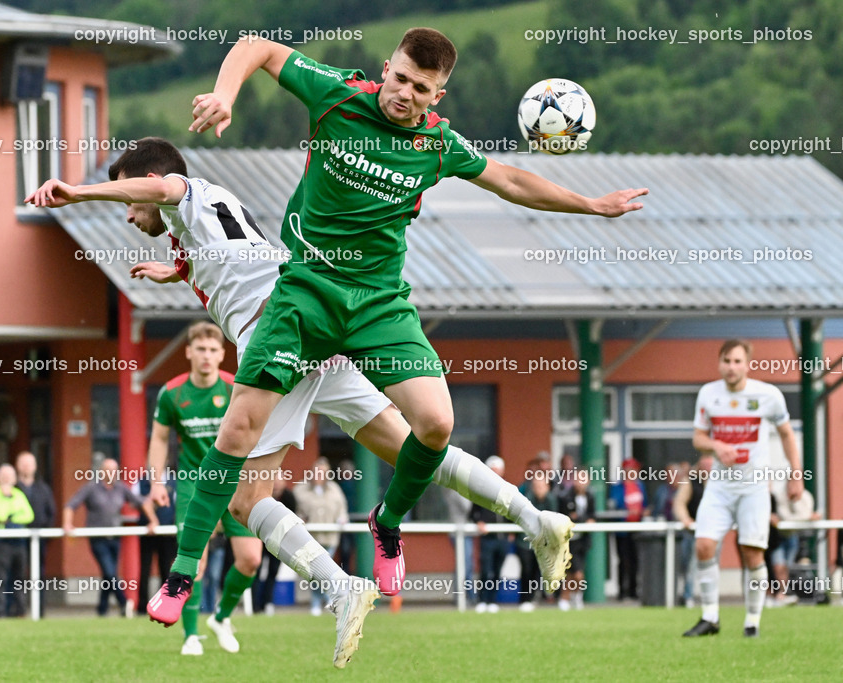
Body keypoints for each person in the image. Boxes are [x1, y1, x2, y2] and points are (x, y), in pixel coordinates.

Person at [27, 136, 576, 668]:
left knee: (245, 501)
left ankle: (339, 589)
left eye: (128, 195)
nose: (128, 213)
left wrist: (77, 193)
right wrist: (179, 268)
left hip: (281, 337)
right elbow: (236, 255)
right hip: (312, 329)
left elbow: (162, 192)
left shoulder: (181, 192)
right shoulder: (204, 216)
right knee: (413, 451)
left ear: (148, 181)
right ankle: (533, 516)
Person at [163, 26, 644, 621]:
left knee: (436, 423)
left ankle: (386, 522)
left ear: (437, 95)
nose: (406, 94)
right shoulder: (338, 95)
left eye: (422, 88)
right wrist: (225, 94)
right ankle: (186, 578)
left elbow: (513, 181)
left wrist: (592, 205)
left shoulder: (439, 144)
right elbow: (256, 45)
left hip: (378, 304)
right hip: (306, 295)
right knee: (239, 442)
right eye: (400, 79)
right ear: (384, 68)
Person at [147, 320, 262, 655]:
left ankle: (222, 617)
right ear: (189, 352)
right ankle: (190, 636)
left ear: (222, 353)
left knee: (251, 559)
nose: (207, 356)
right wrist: (156, 482)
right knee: (194, 561)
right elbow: (158, 438)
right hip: (191, 486)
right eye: (200, 349)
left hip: (236, 482)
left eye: (213, 350)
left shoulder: (234, 388)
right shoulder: (172, 393)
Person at [683, 339, 803, 638]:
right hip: (719, 487)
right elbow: (698, 438)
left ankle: (752, 622)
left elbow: (787, 434)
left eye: (737, 361)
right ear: (719, 363)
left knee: (752, 554)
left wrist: (796, 475)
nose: (731, 367)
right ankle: (710, 617)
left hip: (753, 488)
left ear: (748, 364)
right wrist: (716, 445)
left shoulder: (768, 395)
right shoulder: (708, 394)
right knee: (704, 545)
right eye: (726, 360)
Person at [62, 458, 160, 618]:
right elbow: (70, 505)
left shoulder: (121, 488)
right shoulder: (91, 488)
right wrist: (67, 524)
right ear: (101, 471)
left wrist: (153, 520)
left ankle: (102, 609)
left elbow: (141, 503)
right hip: (97, 538)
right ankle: (124, 602)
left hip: (115, 537)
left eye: (114, 470)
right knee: (109, 571)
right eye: (108, 470)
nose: (111, 473)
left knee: (109, 574)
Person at [293, 457, 349, 616]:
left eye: (323, 472)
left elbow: (342, 509)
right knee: (317, 574)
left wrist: (342, 519)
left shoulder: (335, 489)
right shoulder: (300, 489)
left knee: (324, 573)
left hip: (330, 538)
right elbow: (295, 511)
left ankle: (326, 601)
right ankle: (324, 601)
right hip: (310, 539)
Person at [0, 463, 35, 618]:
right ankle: (0, 611)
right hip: (2, 543)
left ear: (14, 479)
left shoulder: (19, 494)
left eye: (9, 476)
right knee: (1, 578)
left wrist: (10, 517)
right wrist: (12, 509)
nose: (6, 479)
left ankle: (19, 610)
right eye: (3, 476)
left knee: (19, 578)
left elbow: (29, 515)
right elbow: (0, 515)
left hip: (19, 542)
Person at [15, 451, 55, 615]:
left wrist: (46, 532)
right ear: (18, 466)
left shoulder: (43, 489)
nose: (26, 467)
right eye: (23, 463)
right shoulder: (13, 488)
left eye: (29, 464)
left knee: (38, 575)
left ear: (35, 466)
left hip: (38, 539)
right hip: (16, 539)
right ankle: (17, 610)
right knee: (16, 575)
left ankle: (39, 610)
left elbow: (51, 512)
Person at [673, 453, 714, 608]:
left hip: (712, 532)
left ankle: (709, 598)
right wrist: (685, 519)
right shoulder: (690, 481)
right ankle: (688, 596)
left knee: (710, 565)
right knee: (689, 566)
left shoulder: (719, 482)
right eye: (705, 465)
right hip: (692, 531)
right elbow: (679, 503)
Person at [252, 473, 296, 615]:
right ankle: (255, 605)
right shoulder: (262, 495)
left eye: (279, 480)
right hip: (260, 538)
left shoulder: (289, 498)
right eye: (274, 480)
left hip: (278, 540)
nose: (276, 483)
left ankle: (268, 602)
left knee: (273, 571)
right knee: (257, 572)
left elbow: (291, 518)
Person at [134, 471, 176, 617]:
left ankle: (165, 605)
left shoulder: (174, 481)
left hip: (167, 533)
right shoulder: (140, 482)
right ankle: (141, 607)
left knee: (166, 569)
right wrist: (152, 518)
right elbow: (137, 502)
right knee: (144, 569)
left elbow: (178, 504)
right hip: (147, 532)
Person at [470, 456, 508, 613]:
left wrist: (511, 531)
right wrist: (479, 522)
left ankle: (493, 600)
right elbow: (473, 513)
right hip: (488, 538)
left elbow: (512, 512)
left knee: (498, 570)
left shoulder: (508, 489)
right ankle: (482, 600)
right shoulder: (480, 491)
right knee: (486, 570)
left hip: (503, 537)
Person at [609, 458, 648, 601]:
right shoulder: (618, 487)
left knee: (635, 560)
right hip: (622, 529)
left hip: (636, 528)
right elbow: (614, 504)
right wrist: (626, 510)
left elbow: (644, 504)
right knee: (623, 560)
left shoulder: (640, 486)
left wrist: (644, 511)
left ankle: (633, 590)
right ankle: (622, 591)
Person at [518, 476, 558, 612]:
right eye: (535, 486)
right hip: (526, 541)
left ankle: (541, 597)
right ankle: (525, 599)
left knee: (540, 571)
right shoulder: (526, 500)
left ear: (547, 486)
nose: (538, 489)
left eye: (541, 486)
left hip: (544, 543)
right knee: (527, 570)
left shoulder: (552, 500)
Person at [558, 468, 595, 611]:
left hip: (583, 540)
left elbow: (592, 515)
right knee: (569, 571)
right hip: (568, 540)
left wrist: (584, 519)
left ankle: (576, 595)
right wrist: (582, 519)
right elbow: (567, 516)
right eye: (579, 479)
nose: (581, 483)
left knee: (578, 573)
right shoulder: (565, 497)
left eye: (584, 479)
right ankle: (565, 598)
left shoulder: (590, 497)